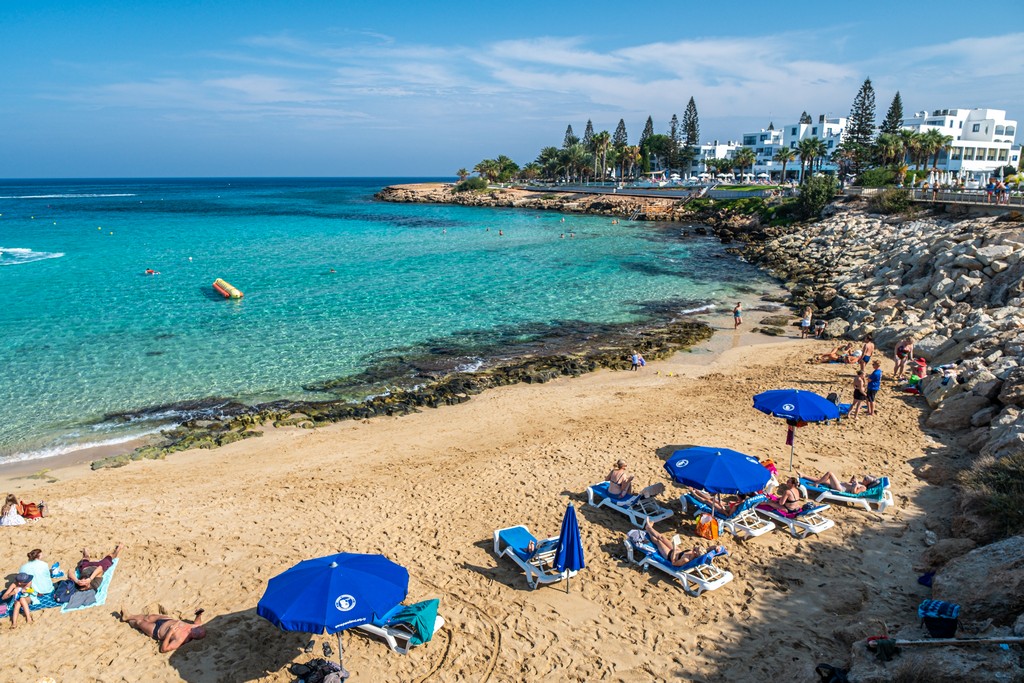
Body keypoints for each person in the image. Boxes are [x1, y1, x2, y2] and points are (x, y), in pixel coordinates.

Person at [643, 518, 723, 567]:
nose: (694, 547)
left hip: (669, 555)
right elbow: (708, 549)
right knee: (662, 537)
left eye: (695, 548)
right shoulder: (699, 553)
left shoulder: (686, 560)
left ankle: (648, 529)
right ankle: (649, 527)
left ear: (695, 553)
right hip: (677, 550)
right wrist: (716, 547)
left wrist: (674, 548)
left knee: (658, 541)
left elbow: (674, 563)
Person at [120, 608, 207, 653]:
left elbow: (164, 649)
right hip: (166, 620)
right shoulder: (194, 627)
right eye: (198, 627)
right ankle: (129, 616)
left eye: (196, 629)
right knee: (148, 617)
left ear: (194, 636)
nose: (195, 627)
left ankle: (128, 619)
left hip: (157, 630)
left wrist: (170, 632)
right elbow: (197, 622)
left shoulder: (181, 639)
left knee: (139, 622)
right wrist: (199, 614)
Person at [799, 471, 879, 494]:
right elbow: (849, 484)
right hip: (841, 484)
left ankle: (815, 484)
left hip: (840, 488)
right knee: (822, 479)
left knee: (829, 473)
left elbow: (854, 493)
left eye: (866, 479)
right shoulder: (861, 483)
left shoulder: (863, 488)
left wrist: (854, 485)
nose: (864, 479)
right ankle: (803, 475)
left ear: (868, 483)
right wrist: (852, 480)